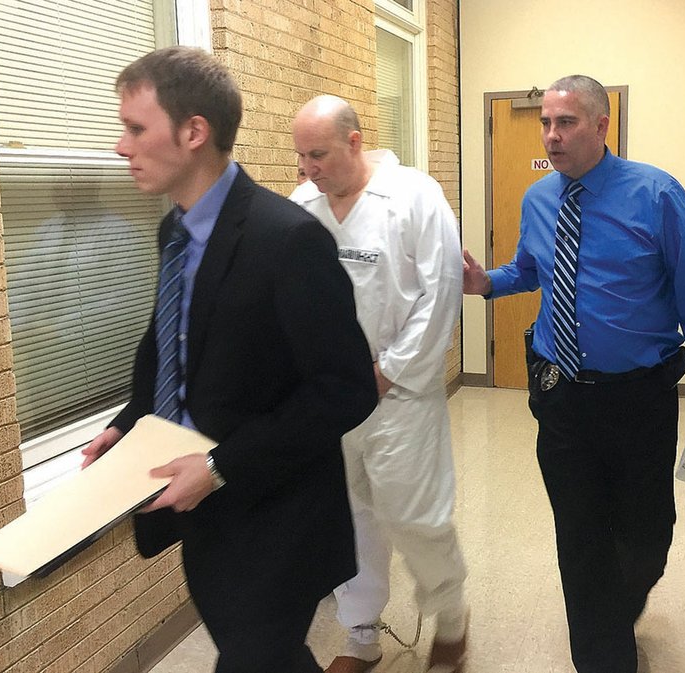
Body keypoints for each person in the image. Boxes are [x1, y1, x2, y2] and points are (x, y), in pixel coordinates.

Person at [81, 47, 378, 673]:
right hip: (205, 516)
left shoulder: (287, 239)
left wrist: (218, 467)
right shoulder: (175, 231)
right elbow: (174, 349)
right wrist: (127, 422)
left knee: (253, 659)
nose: (119, 145)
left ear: (194, 132)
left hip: (278, 515)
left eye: (135, 128)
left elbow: (346, 389)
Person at [463, 75, 685, 673]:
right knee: (580, 539)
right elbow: (531, 270)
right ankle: (604, 655)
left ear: (601, 125)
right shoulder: (537, 199)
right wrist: (486, 283)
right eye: (546, 124)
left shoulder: (657, 195)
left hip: (639, 397)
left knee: (647, 539)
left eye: (566, 123)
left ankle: (621, 601)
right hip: (561, 398)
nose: (552, 136)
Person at [291, 95, 469, 673]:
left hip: (400, 392)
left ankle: (451, 615)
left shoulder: (414, 197)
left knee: (414, 513)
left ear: (354, 140)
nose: (307, 168)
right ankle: (360, 634)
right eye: (301, 156)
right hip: (329, 396)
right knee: (350, 515)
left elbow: (440, 291)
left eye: (317, 154)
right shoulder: (304, 206)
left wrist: (388, 371)